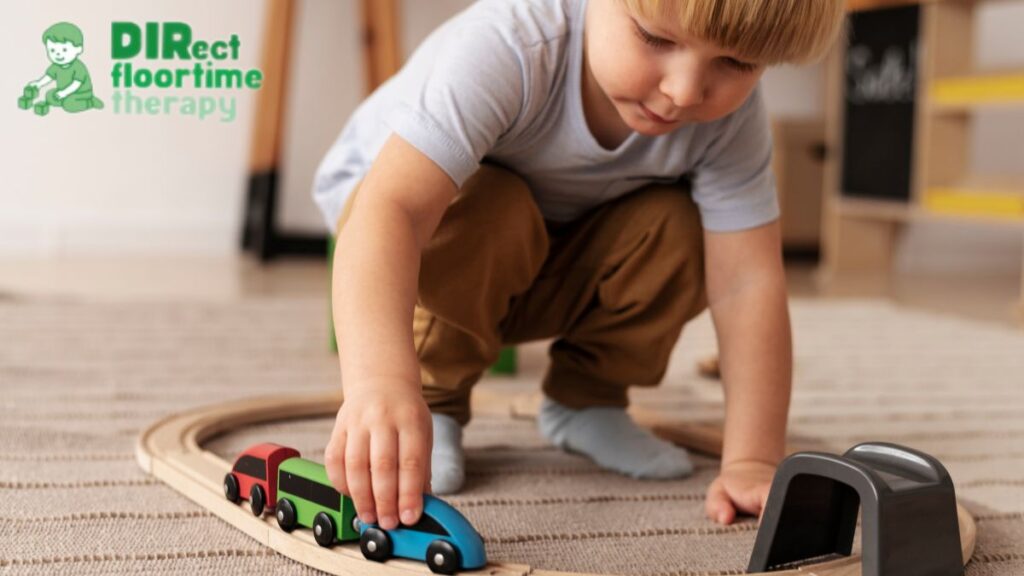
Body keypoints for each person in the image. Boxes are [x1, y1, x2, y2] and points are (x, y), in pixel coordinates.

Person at [314, 0, 845, 533]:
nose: (685, 91)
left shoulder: (729, 122)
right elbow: (393, 214)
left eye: (736, 64)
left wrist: (753, 459)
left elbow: (746, 282)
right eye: (655, 39)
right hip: (402, 243)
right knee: (493, 202)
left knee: (684, 228)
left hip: (555, 252)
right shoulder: (509, 47)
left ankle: (589, 397)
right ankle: (435, 397)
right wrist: (379, 384)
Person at [19, 22, 104, 116]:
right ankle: (63, 101)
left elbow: (76, 84)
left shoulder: (79, 67)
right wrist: (38, 84)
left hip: (81, 94)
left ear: (78, 49)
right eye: (52, 50)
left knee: (69, 105)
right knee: (49, 95)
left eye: (64, 50)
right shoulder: (56, 66)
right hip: (63, 92)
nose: (58, 54)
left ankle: (90, 102)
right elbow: (49, 77)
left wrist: (64, 93)